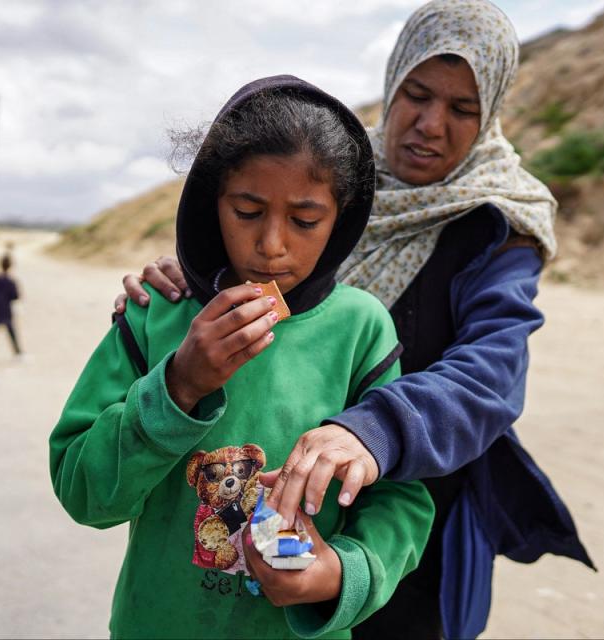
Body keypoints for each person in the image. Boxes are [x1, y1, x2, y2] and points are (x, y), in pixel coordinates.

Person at [114, 2, 595, 638]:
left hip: (410, 514)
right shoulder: (331, 181)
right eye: (417, 95)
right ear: (393, 83)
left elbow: (492, 376)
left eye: (462, 109)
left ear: (493, 113)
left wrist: (374, 430)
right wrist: (191, 283)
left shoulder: (498, 224)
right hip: (276, 514)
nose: (429, 124)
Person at [49, 76, 434, 639]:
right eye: (247, 211)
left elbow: (400, 499)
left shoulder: (360, 329)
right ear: (213, 203)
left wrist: (339, 573)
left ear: (342, 216)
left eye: (305, 220)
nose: (272, 245)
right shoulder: (156, 312)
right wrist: (178, 385)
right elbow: (83, 492)